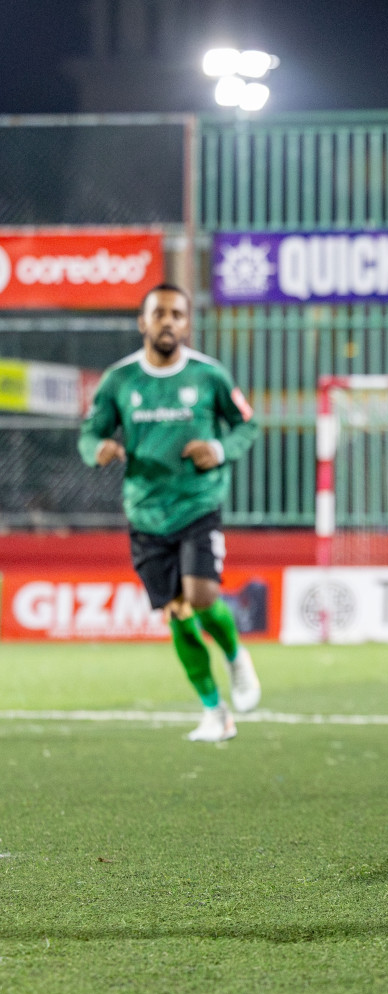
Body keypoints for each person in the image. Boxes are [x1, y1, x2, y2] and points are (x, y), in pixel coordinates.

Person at [79, 283, 262, 742]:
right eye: (159, 313)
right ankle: (214, 713)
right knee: (178, 613)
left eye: (177, 314)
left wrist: (219, 448)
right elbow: (90, 431)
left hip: (198, 505)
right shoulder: (119, 380)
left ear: (187, 323)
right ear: (142, 322)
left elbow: (247, 423)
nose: (168, 321)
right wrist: (98, 447)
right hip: (145, 514)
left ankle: (237, 659)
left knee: (201, 598)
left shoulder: (209, 375)